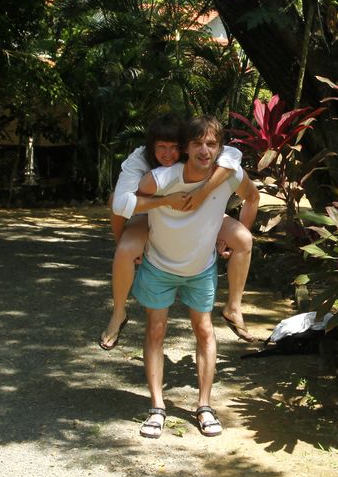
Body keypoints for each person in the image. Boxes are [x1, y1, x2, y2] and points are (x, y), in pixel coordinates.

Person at [132, 115, 260, 438]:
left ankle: (204, 406)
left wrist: (229, 233)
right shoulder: (164, 178)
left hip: (200, 269)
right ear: (186, 148)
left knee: (204, 331)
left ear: (220, 149)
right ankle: (157, 407)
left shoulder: (229, 175)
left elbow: (253, 197)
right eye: (198, 143)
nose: (205, 150)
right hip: (159, 266)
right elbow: (131, 201)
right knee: (156, 330)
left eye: (212, 144)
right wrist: (131, 242)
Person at [98, 114, 257, 350]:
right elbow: (118, 205)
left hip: (198, 214)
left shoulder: (197, 152)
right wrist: (162, 202)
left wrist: (205, 192)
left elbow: (233, 157)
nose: (168, 154)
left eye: (174, 148)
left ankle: (233, 307)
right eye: (161, 148)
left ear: (182, 147)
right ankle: (118, 314)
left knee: (243, 239)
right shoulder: (139, 161)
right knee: (125, 250)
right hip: (147, 212)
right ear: (150, 147)